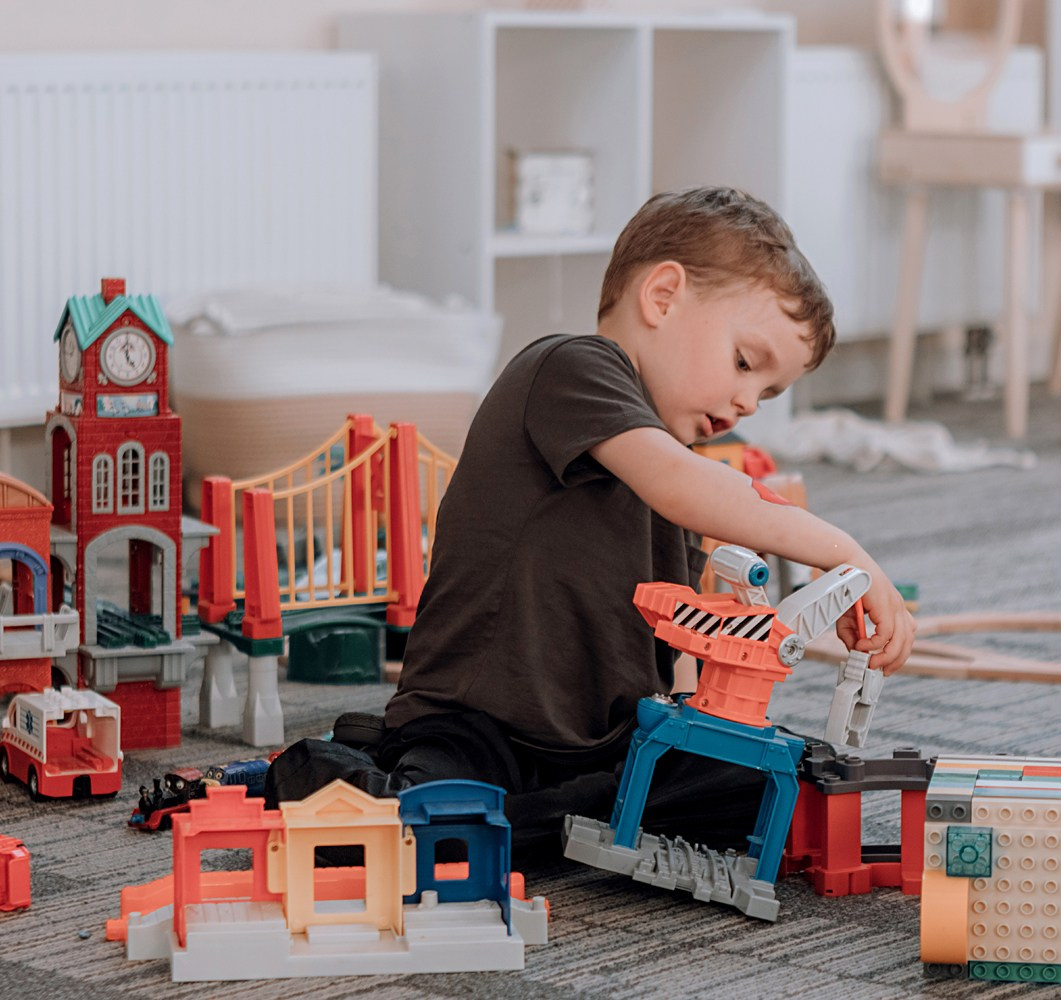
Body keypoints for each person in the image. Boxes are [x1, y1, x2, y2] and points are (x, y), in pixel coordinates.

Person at [266, 187, 914, 861]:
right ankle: (410, 800)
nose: (749, 402)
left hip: (603, 743)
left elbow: (676, 637)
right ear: (663, 296)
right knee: (412, 820)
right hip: (477, 725)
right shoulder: (572, 367)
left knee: (768, 780)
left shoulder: (676, 465)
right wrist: (845, 553)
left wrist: (700, 727)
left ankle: (537, 824)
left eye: (769, 393)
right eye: (746, 363)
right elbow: (684, 486)